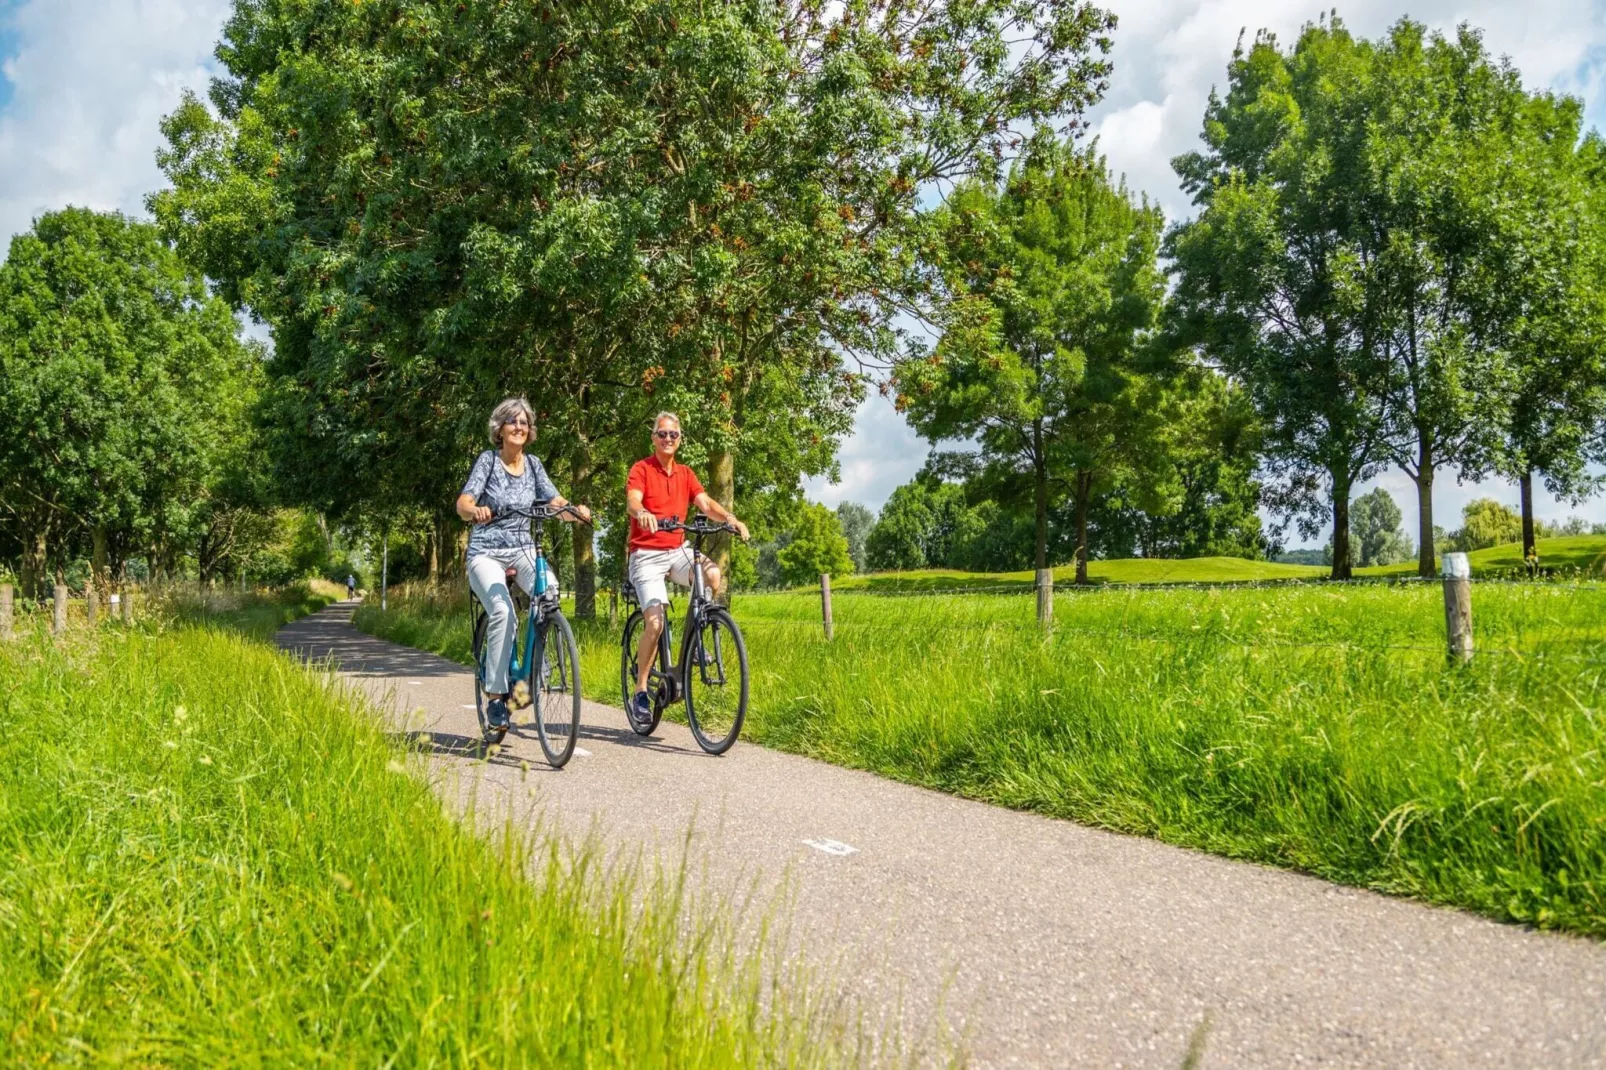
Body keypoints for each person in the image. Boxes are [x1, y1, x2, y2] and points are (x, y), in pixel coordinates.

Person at [455, 396, 591, 732]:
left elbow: (553, 499)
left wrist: (572, 510)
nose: (519, 427)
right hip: (486, 552)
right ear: (499, 429)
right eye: (512, 422)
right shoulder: (487, 462)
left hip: (523, 548)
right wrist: (476, 511)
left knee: (550, 592)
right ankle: (497, 696)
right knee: (502, 611)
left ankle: (534, 670)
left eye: (524, 422)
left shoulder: (533, 466)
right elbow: (463, 502)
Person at [626, 411, 749, 731]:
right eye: (663, 434)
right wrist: (643, 514)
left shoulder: (685, 474)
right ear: (653, 438)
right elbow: (633, 501)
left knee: (711, 575)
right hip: (646, 553)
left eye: (674, 435)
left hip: (677, 550)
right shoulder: (641, 469)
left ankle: (695, 641)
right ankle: (641, 691)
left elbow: (706, 504)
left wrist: (730, 519)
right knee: (655, 622)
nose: (668, 439)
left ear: (679, 440)